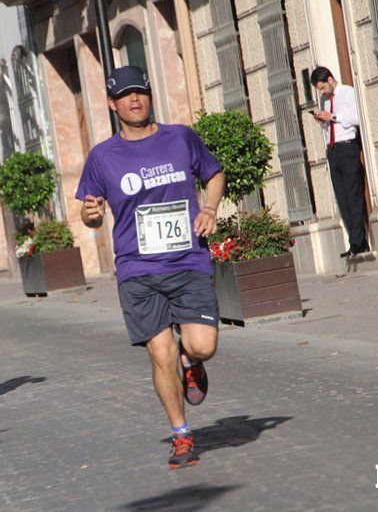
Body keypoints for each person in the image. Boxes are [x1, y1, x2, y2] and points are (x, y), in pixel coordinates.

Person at [76, 66, 226, 468]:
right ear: (112, 104)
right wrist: (92, 215)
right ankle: (181, 435)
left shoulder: (180, 137)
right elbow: (90, 213)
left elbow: (213, 174)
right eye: (125, 95)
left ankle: (191, 363)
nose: (134, 100)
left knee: (202, 345)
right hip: (137, 271)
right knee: (161, 355)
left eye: (140, 91)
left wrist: (209, 207)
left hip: (188, 260)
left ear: (149, 94)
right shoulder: (102, 156)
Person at [310, 66, 370, 258]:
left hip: (347, 147)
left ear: (330, 79)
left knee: (353, 195)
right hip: (333, 149)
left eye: (322, 88)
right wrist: (323, 120)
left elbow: (357, 118)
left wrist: (333, 117)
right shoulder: (326, 100)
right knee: (342, 197)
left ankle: (360, 243)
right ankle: (353, 242)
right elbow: (330, 123)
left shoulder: (348, 93)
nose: (322, 92)